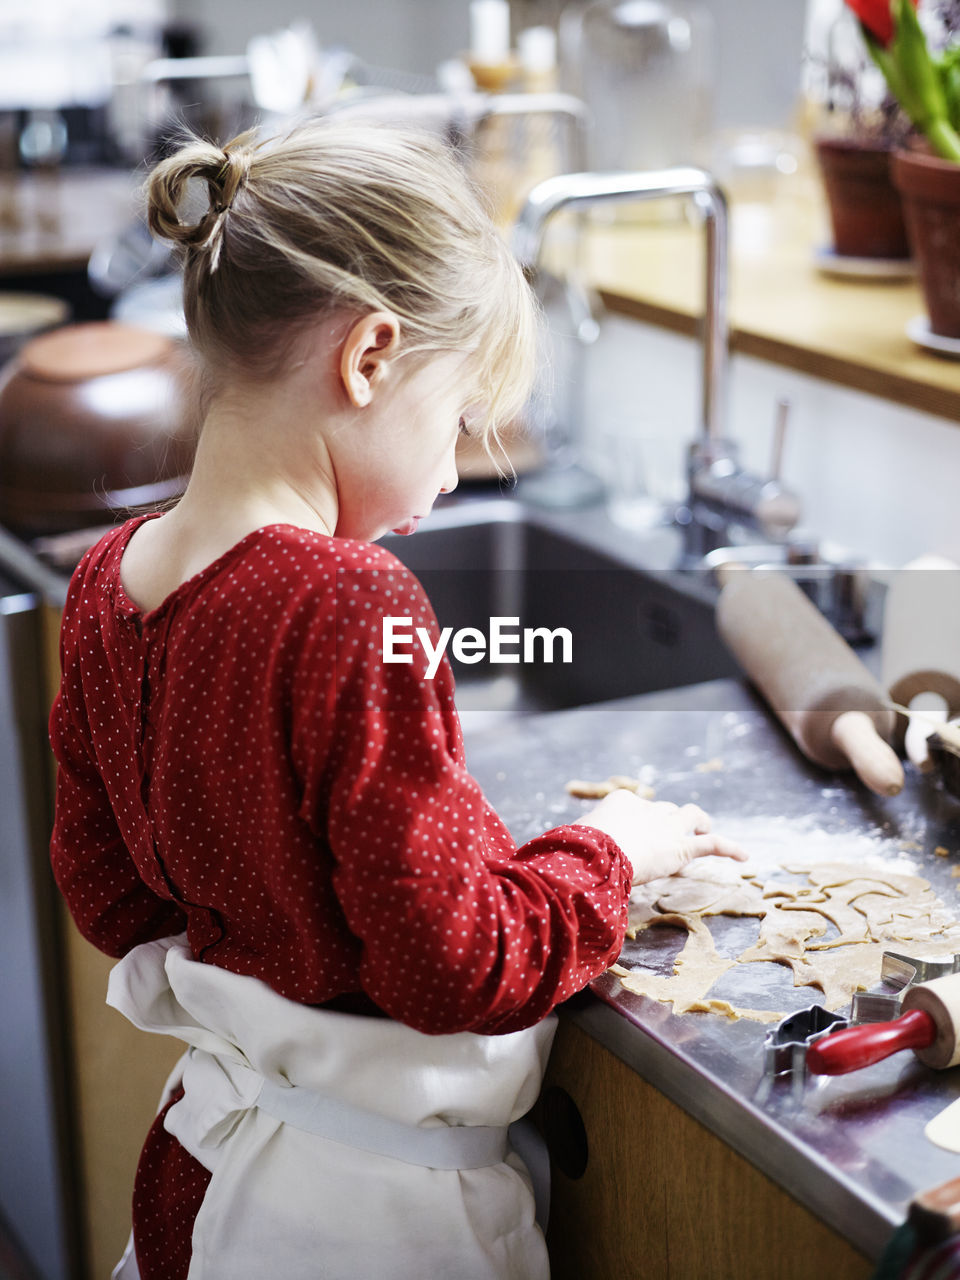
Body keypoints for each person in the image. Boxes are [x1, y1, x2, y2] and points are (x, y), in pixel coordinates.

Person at [48, 119, 745, 1280]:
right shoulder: (351, 596)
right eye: (461, 420)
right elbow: (456, 968)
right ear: (370, 357)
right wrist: (612, 847)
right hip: (367, 1222)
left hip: (203, 1175)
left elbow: (110, 896)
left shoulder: (109, 576)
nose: (448, 472)